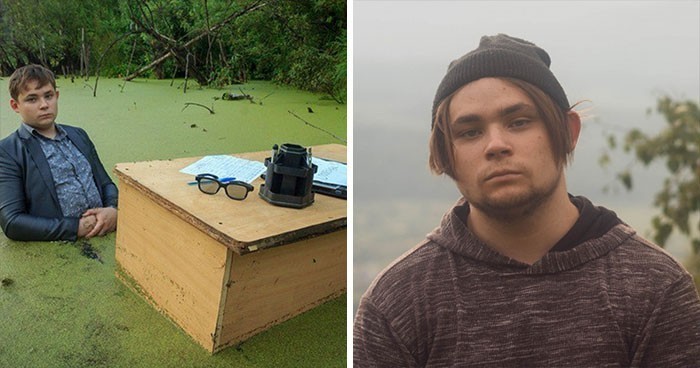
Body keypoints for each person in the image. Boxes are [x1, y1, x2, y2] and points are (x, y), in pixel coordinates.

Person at [353, 34, 700, 367]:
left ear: (567, 132)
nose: (496, 144)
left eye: (518, 122)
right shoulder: (397, 301)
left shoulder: (655, 287)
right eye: (470, 132)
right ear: (445, 156)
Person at [0, 64, 118, 241]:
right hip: (62, 248)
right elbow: (12, 222)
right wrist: (75, 228)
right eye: (32, 99)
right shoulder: (8, 151)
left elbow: (105, 183)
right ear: (15, 105)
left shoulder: (78, 134)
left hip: (109, 234)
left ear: (57, 96)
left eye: (48, 96)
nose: (44, 105)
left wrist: (113, 210)